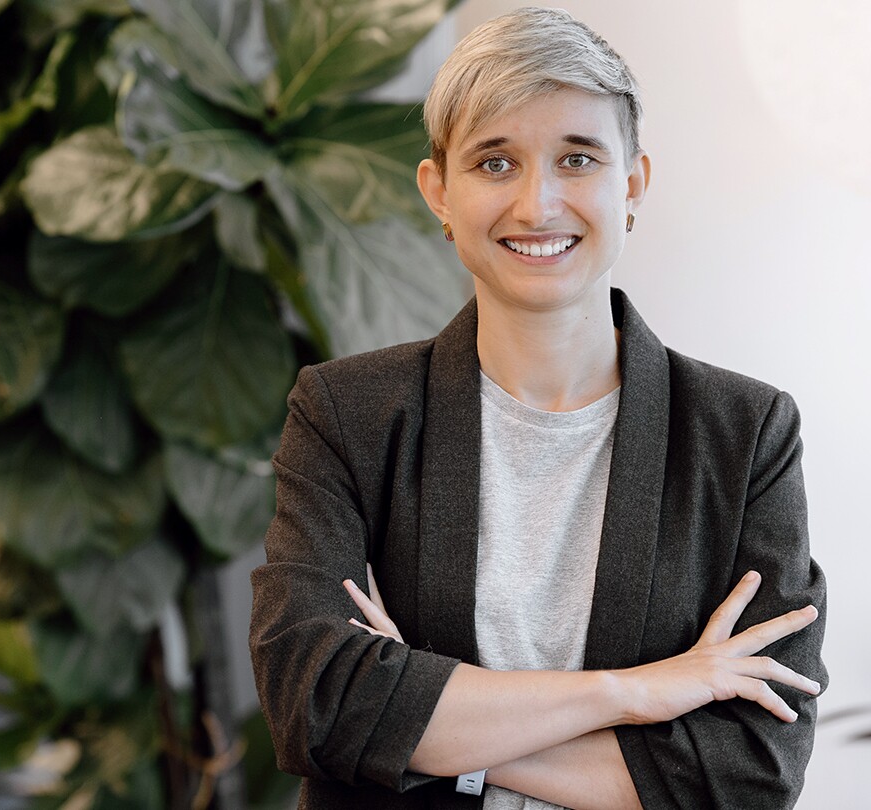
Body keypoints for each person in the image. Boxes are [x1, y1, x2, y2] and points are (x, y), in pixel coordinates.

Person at [248, 7, 828, 809]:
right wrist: (636, 693)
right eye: (494, 163)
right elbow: (315, 704)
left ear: (632, 186)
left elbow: (752, 766)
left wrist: (429, 722)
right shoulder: (348, 414)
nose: (537, 204)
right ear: (439, 192)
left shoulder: (743, 434)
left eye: (578, 158)